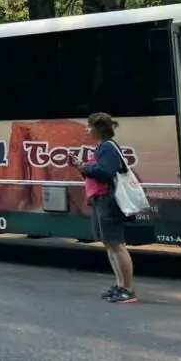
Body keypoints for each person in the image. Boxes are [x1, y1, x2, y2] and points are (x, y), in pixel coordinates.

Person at [69, 112, 137, 304]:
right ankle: (120, 285)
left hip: (108, 199)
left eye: (89, 126)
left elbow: (106, 171)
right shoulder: (102, 147)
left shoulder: (107, 147)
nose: (87, 129)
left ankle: (128, 289)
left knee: (116, 244)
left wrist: (84, 168)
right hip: (100, 198)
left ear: (99, 128)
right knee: (109, 244)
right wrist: (82, 167)